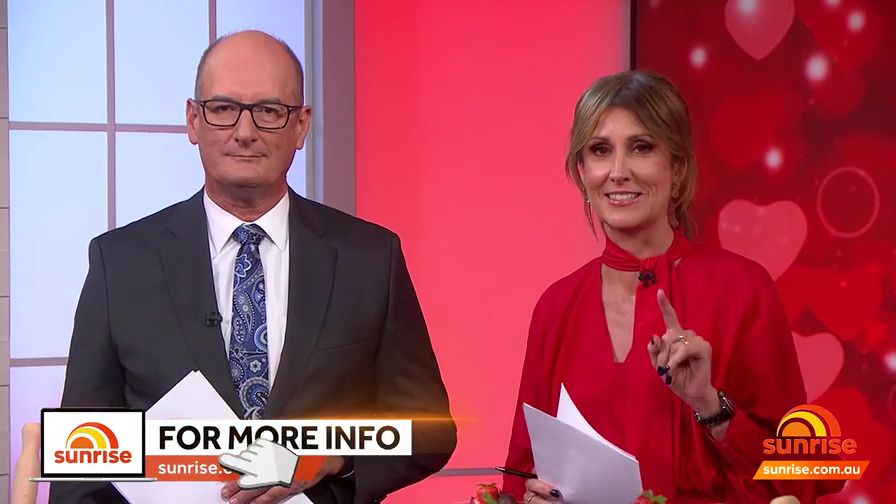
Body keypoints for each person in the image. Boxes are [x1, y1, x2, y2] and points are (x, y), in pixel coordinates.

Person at [50, 30, 456, 504]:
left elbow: (428, 429)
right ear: (193, 120)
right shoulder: (120, 262)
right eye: (223, 108)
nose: (244, 132)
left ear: (301, 125)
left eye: (269, 111)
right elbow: (80, 456)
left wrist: (329, 456)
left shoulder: (368, 258)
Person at [503, 71, 841, 503]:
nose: (618, 172)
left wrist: (709, 404)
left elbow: (804, 472)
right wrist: (533, 495)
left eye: (641, 148)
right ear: (583, 172)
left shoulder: (743, 289)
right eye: (601, 151)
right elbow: (521, 472)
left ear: (677, 169)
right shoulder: (556, 306)